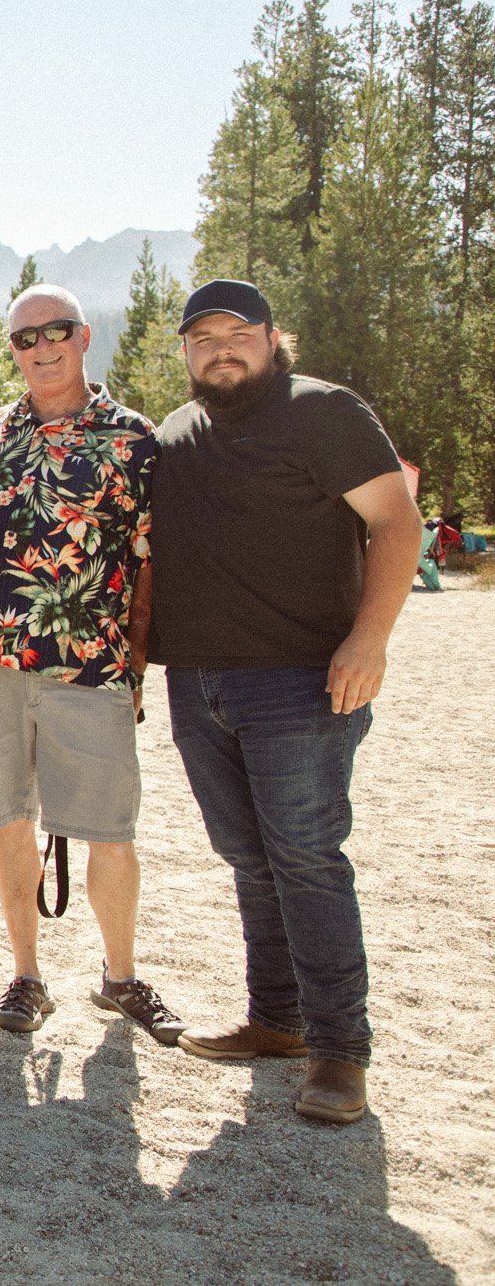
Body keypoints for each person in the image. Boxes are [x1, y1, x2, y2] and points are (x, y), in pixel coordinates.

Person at [156, 280, 421, 1124]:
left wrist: (369, 638)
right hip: (197, 679)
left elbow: (398, 522)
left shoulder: (325, 412)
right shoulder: (176, 433)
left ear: (274, 339)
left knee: (306, 856)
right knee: (248, 855)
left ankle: (342, 1050)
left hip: (304, 679)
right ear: (187, 351)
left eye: (239, 332)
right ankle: (277, 1020)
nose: (220, 348)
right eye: (203, 337)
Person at [0, 285, 182, 1044]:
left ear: (83, 337)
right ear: (12, 350)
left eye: (56, 331)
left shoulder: (135, 441)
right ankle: (27, 976)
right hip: (0, 664)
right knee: (10, 820)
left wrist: (136, 667)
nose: (41, 346)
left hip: (95, 664)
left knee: (111, 829)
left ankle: (120, 978)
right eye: (24, 337)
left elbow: (150, 570)